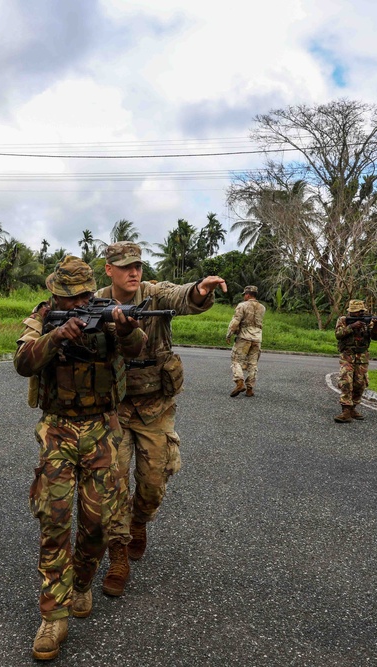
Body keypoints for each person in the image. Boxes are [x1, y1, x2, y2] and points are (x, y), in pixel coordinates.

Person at [14, 256, 146, 661]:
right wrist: (57, 338)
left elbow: (137, 346)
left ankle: (83, 581)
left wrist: (125, 330)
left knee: (98, 523)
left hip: (102, 429)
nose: (77, 305)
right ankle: (53, 616)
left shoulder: (109, 317)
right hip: (57, 429)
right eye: (67, 299)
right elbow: (22, 363)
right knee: (54, 521)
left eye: (83, 298)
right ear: (54, 294)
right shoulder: (41, 318)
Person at [95, 241, 226, 597]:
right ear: (109, 269)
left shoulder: (154, 294)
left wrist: (200, 290)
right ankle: (118, 554)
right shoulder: (97, 301)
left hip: (156, 405)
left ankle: (139, 522)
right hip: (115, 407)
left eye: (137, 265)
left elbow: (182, 296)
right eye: (124, 267)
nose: (133, 272)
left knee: (152, 484)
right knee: (113, 483)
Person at [334, 298, 377, 423]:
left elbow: (375, 337)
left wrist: (375, 326)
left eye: (361, 311)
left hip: (362, 357)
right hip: (347, 356)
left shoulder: (368, 321)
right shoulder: (343, 320)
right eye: (357, 312)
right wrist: (352, 327)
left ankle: (353, 407)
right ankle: (345, 410)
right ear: (351, 312)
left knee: (360, 384)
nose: (359, 314)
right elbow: (338, 334)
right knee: (346, 382)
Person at [226, 285, 266, 397]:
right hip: (257, 338)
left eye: (245, 294)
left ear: (247, 294)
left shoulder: (242, 305)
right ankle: (250, 389)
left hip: (244, 337)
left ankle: (239, 382)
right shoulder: (262, 308)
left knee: (236, 360)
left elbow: (235, 321)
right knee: (253, 363)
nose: (244, 296)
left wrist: (229, 334)